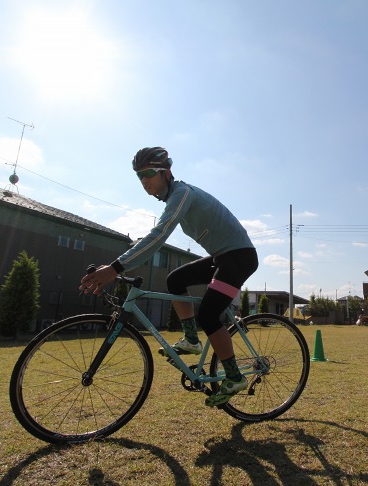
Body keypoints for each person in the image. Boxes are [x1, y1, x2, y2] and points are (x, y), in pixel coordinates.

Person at [79, 147, 258, 407]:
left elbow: (160, 234)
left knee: (208, 315)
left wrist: (116, 267)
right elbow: (157, 236)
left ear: (167, 173)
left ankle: (234, 376)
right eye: (139, 176)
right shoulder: (173, 197)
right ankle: (192, 341)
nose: (144, 180)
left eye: (150, 173)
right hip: (222, 256)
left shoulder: (182, 193)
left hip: (239, 256)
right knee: (175, 280)